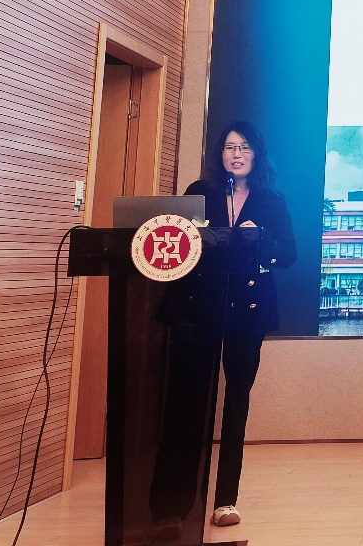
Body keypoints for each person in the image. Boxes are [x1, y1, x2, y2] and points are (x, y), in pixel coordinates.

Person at [150, 121, 296, 533]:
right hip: (199, 309)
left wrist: (260, 239)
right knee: (185, 406)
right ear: (220, 154)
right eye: (230, 147)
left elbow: (289, 254)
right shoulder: (200, 192)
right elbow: (176, 242)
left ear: (257, 154)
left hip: (247, 311)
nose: (236, 154)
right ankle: (170, 508)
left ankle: (225, 500)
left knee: (235, 406)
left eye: (244, 147)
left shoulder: (271, 199)